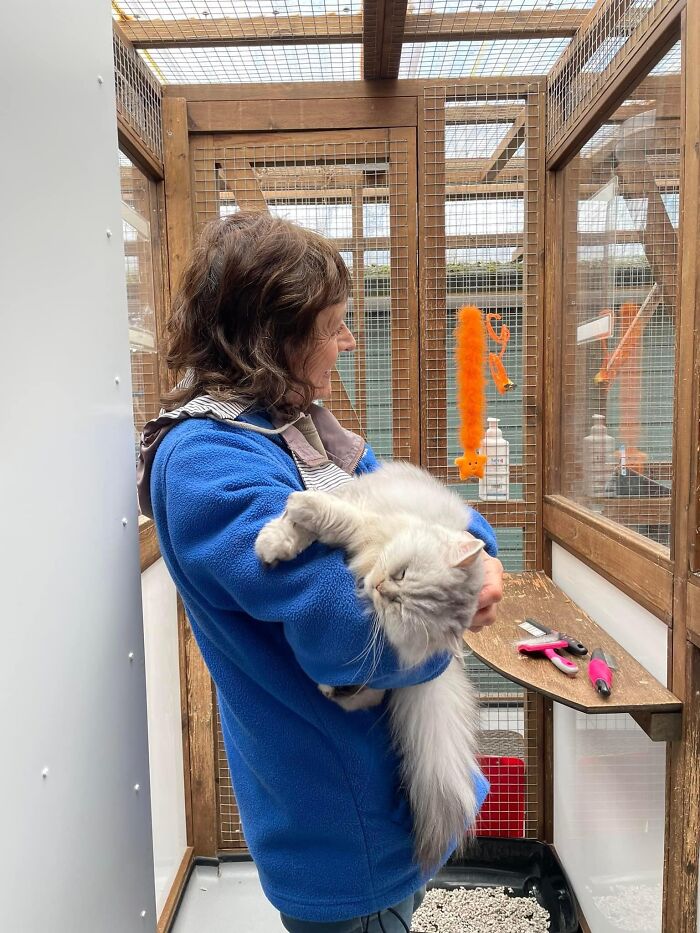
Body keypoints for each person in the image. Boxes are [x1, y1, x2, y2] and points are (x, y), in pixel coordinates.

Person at [137, 212, 503, 932]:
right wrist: (459, 580)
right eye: (332, 325)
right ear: (274, 338)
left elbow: (417, 499)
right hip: (342, 828)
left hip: (378, 805)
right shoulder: (210, 463)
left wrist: (475, 553)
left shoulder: (292, 425)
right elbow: (352, 630)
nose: (346, 341)